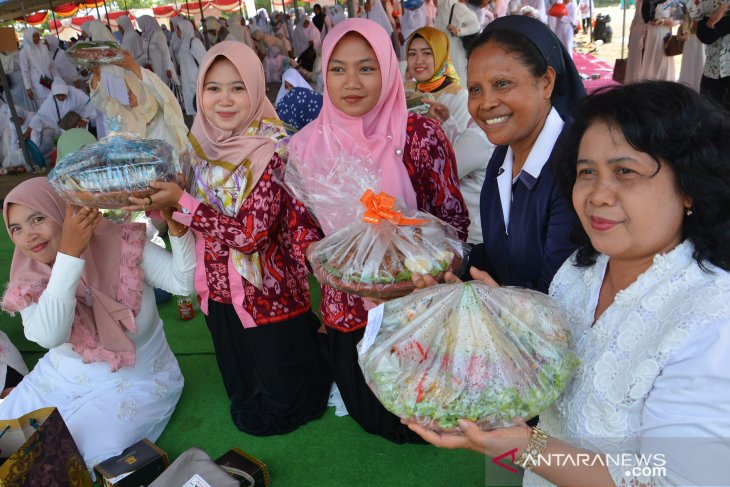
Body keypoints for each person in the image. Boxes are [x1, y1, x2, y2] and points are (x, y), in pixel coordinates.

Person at [406, 80, 730, 487]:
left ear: (689, 187)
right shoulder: (581, 269)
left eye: (624, 171)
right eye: (586, 172)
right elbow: (551, 368)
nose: (597, 194)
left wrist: (525, 446)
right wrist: (498, 316)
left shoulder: (713, 320)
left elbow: (672, 480)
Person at [123, 41, 331, 436]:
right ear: (199, 92)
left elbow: (250, 236)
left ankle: (317, 346)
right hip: (219, 291)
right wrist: (170, 212)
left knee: (285, 404)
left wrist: (183, 203)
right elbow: (188, 218)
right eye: (213, 88)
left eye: (238, 87)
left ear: (255, 89)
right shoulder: (197, 147)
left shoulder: (272, 152)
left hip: (268, 294)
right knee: (243, 393)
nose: (225, 99)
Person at [289, 19, 469, 444]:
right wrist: (339, 263)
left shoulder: (420, 134)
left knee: (423, 409)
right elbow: (300, 231)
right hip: (346, 306)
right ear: (324, 73)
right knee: (372, 413)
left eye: (367, 68)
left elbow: (452, 220)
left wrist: (405, 255)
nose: (352, 82)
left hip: (418, 302)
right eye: (338, 68)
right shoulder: (305, 147)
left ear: (389, 69)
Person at [0, 177, 195, 470]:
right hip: (57, 381)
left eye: (38, 219)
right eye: (16, 228)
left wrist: (177, 225)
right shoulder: (28, 275)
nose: (28, 236)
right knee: (5, 442)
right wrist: (70, 255)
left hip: (134, 383)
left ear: (63, 213)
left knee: (65, 458)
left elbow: (184, 283)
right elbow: (50, 336)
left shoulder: (122, 243)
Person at [451, 15, 584, 294]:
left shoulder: (575, 169)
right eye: (475, 89)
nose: (486, 103)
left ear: (547, 82)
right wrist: (444, 263)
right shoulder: (502, 158)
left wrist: (493, 295)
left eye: (502, 84)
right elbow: (505, 258)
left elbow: (559, 295)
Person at [405, 26, 493, 243]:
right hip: (430, 212)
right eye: (412, 53)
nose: (419, 60)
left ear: (441, 54)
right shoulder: (407, 94)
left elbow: (454, 161)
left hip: (463, 218)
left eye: (427, 53)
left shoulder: (458, 96)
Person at [89, 51, 188, 159]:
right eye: (128, 91)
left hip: (167, 149)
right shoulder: (129, 115)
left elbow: (158, 91)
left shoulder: (159, 108)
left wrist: (133, 66)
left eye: (131, 91)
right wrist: (96, 76)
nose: (128, 94)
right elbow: (106, 105)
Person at [29, 79, 96, 157]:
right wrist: (30, 127)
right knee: (72, 146)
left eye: (63, 95)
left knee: (84, 142)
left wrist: (86, 118)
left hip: (80, 122)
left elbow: (88, 102)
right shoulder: (50, 100)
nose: (61, 98)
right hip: (65, 126)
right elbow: (41, 114)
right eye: (58, 96)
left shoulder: (75, 93)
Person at [693, 0, 730, 109]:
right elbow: (705, 37)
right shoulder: (708, 2)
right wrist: (712, 21)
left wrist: (714, 21)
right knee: (709, 114)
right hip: (713, 69)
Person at [435, 0, 481, 83]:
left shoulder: (457, 7)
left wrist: (459, 31)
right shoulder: (440, 10)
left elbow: (476, 26)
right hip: (443, 53)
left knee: (459, 80)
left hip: (455, 52)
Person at [18, 28, 60, 108]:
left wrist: (57, 78)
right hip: (37, 81)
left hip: (49, 79)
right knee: (44, 104)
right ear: (28, 38)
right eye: (34, 37)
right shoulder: (24, 52)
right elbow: (25, 71)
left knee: (55, 101)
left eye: (38, 36)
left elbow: (52, 65)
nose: (37, 38)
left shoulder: (43, 48)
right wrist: (28, 88)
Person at [638, 0, 677, 81]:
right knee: (649, 63)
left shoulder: (671, 2)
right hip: (650, 36)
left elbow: (677, 21)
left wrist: (662, 22)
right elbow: (644, 18)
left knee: (661, 62)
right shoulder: (648, 2)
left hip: (663, 37)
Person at [275, 68, 323, 133]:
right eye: (286, 87)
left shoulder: (307, 98)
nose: (289, 89)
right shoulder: (282, 100)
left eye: (291, 85)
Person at [176, 19, 206, 116]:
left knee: (202, 113)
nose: (177, 32)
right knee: (195, 113)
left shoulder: (194, 42)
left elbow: (204, 62)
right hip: (188, 86)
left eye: (179, 30)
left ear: (185, 30)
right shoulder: (183, 45)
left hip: (196, 83)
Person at [138, 15, 176, 84]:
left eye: (141, 24)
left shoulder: (158, 34)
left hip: (162, 68)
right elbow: (146, 53)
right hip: (152, 68)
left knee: (165, 88)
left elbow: (165, 52)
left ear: (146, 23)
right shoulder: (144, 36)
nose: (140, 27)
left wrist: (168, 69)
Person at [623, 0, 647, 83]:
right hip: (636, 34)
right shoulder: (639, 3)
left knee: (643, 62)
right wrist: (630, 38)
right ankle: (633, 81)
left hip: (646, 34)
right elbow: (635, 20)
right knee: (634, 61)